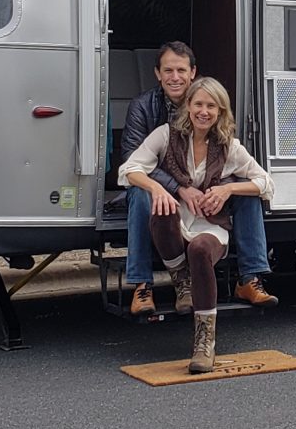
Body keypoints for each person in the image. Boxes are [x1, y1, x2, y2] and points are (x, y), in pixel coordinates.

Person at [112, 41, 277, 317]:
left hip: (204, 195)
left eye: (181, 70)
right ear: (158, 74)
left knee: (247, 193)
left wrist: (226, 189)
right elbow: (131, 161)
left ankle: (250, 278)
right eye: (168, 70)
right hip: (161, 188)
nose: (175, 77)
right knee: (139, 193)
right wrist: (173, 187)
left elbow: (263, 181)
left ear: (192, 73)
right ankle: (143, 286)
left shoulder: (222, 136)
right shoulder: (147, 112)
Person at [120, 77, 272, 373]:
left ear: (220, 111)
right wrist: (158, 188)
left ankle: (205, 343)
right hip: (176, 221)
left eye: (211, 106)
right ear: (188, 106)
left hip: (209, 225)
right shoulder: (165, 134)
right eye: (199, 104)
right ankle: (182, 281)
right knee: (162, 210)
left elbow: (266, 183)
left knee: (201, 249)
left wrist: (228, 189)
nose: (204, 111)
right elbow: (129, 169)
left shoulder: (229, 146)